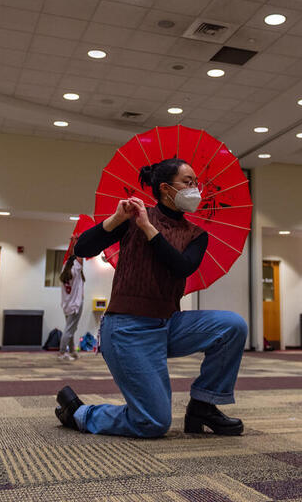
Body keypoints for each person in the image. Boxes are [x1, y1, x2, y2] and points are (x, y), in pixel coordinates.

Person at [56, 158, 248, 438]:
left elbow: (181, 267)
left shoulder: (196, 235)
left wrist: (149, 229)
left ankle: (203, 406)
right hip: (126, 330)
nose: (196, 188)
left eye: (196, 182)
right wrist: (117, 219)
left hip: (168, 325)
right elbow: (83, 248)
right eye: (188, 182)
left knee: (233, 326)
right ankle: (81, 413)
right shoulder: (133, 219)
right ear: (166, 189)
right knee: (154, 423)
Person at [58, 254, 85, 361]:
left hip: (66, 304)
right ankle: (62, 352)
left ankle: (72, 351)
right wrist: (78, 241)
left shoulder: (64, 270)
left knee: (70, 328)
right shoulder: (76, 269)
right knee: (69, 329)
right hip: (75, 304)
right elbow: (80, 257)